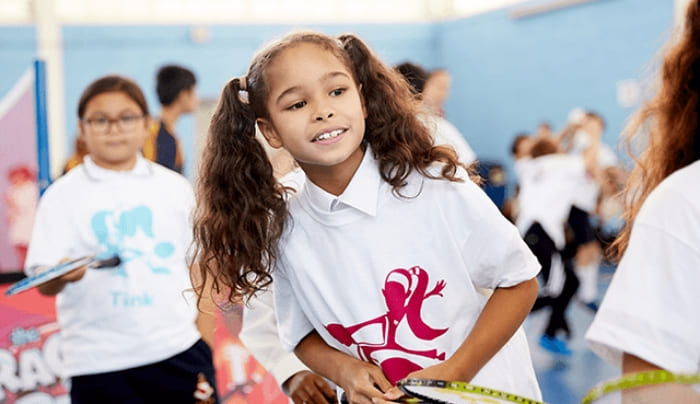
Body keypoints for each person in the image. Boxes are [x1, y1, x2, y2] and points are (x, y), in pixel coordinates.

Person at [192, 30, 541, 404]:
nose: (322, 111)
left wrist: (453, 375)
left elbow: (519, 282)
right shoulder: (281, 221)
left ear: (362, 98)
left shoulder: (434, 185)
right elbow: (299, 334)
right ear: (270, 131)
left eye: (337, 91)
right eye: (296, 104)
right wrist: (343, 370)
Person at [25, 75, 217, 404]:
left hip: (180, 353)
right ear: (82, 130)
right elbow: (44, 282)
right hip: (98, 365)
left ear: (146, 125)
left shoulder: (174, 188)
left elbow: (200, 266)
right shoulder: (61, 196)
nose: (114, 128)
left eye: (126, 117)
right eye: (100, 120)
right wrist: (60, 274)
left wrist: (204, 340)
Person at [586, 0, 700, 376]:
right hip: (576, 215)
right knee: (575, 264)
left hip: (595, 210)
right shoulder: (682, 202)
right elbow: (651, 387)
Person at [394, 62, 477, 164]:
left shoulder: (435, 123)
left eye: (445, 88)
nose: (443, 93)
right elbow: (467, 158)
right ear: (425, 89)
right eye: (438, 86)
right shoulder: (429, 125)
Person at [143, 64, 198, 174]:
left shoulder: (170, 134)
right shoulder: (153, 134)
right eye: (194, 91)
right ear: (183, 95)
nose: (197, 98)